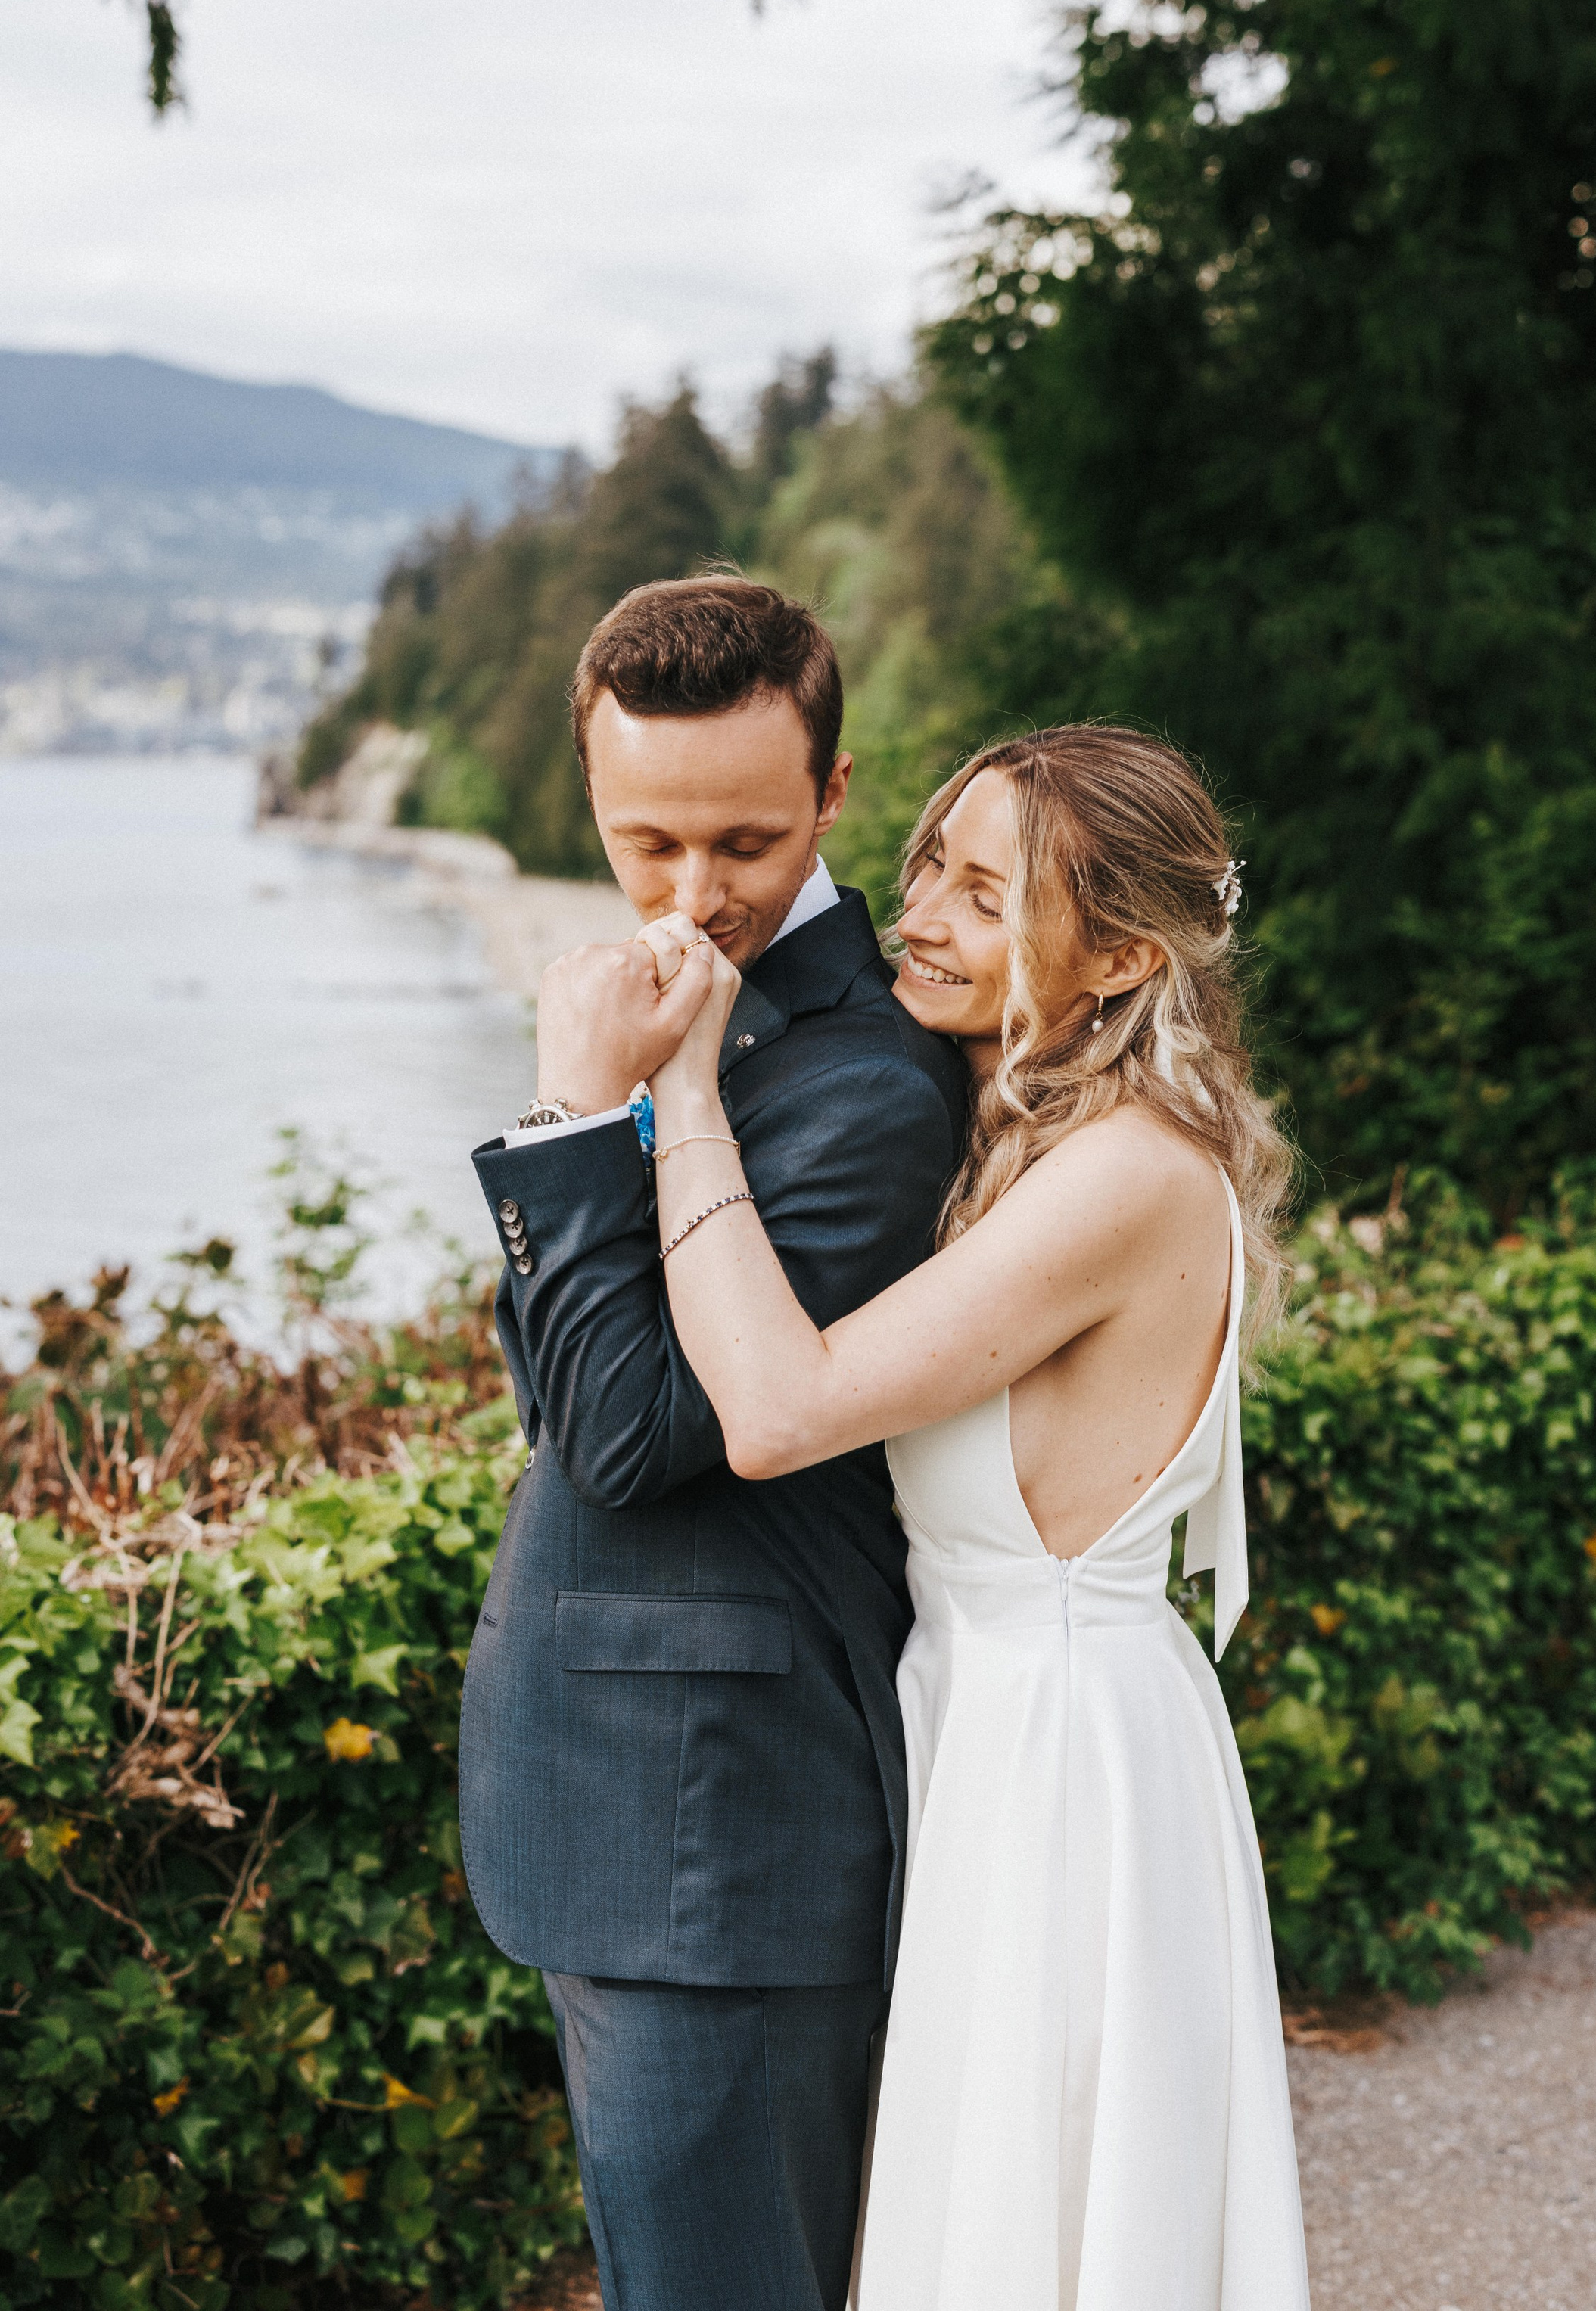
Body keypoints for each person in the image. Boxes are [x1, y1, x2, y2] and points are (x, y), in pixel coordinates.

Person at [630, 724, 1311, 2311]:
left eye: (985, 892)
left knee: (1034, 2218)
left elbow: (783, 1407)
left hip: (1064, 1760)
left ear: (1124, 952)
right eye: (929, 858)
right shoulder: (1034, 1138)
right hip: (995, 1721)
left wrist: (676, 1093)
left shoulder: (1128, 1173)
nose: (918, 910)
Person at [459, 574, 969, 2311]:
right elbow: (555, 1365)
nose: (691, 898)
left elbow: (617, 1429)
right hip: (632, 1819)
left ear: (833, 796)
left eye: (745, 841)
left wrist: (568, 1110)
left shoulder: (870, 1084)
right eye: (644, 839)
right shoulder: (688, 1011)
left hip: (722, 1841)